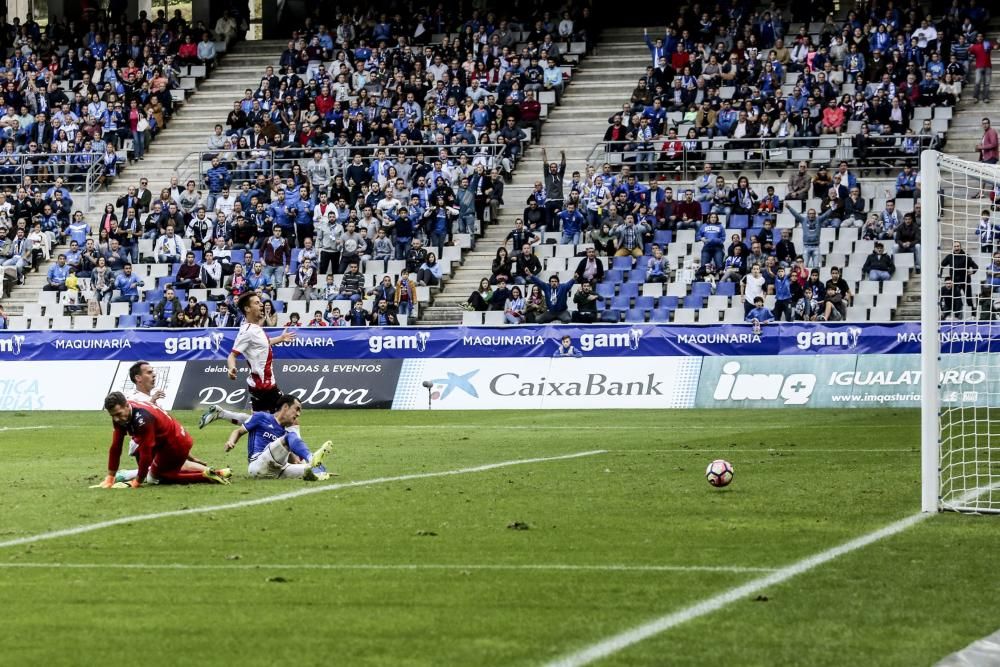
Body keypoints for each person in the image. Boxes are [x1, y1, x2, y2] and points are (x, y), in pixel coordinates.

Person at [199, 292, 297, 429]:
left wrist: (280, 339)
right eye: (257, 303)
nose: (261, 304)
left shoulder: (256, 329)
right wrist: (231, 368)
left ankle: (221, 413)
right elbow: (232, 355)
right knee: (291, 417)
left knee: (257, 422)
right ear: (247, 309)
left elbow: (264, 342)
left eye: (260, 302)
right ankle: (303, 451)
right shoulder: (247, 331)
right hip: (265, 386)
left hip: (258, 385)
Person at [96, 392, 230, 488]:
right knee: (170, 468)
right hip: (173, 439)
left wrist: (137, 481)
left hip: (174, 444)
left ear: (126, 405)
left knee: (154, 478)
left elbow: (146, 453)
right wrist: (110, 477)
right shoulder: (122, 415)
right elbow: (116, 447)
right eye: (113, 416)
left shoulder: (143, 419)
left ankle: (205, 476)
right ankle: (218, 472)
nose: (116, 419)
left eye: (118, 414)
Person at [223, 394, 332, 481]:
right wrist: (230, 442)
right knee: (290, 436)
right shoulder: (261, 417)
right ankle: (311, 457)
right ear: (285, 407)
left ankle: (316, 469)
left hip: (278, 470)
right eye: (297, 409)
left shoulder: (284, 433)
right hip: (258, 465)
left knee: (315, 469)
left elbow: (291, 459)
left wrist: (305, 466)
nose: (298, 414)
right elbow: (238, 431)